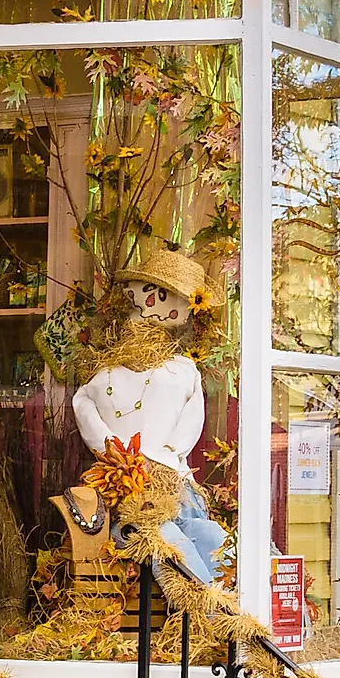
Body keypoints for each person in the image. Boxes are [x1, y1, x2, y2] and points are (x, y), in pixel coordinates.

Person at [71, 243, 227, 583]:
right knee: (164, 538)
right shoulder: (105, 374)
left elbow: (191, 421)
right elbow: (83, 407)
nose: (156, 304)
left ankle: (233, 601)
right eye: (152, 293)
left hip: (175, 484)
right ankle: (206, 603)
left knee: (209, 537)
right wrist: (118, 454)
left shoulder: (182, 369)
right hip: (127, 488)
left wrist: (166, 455)